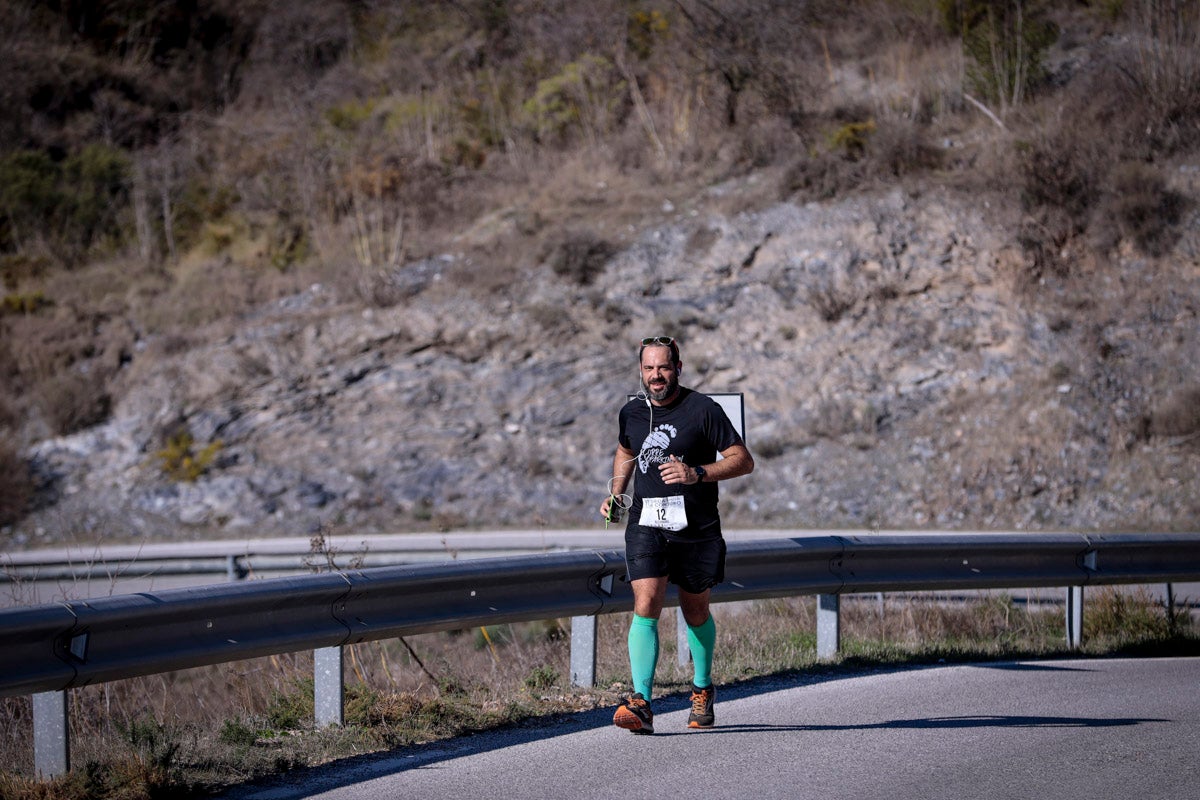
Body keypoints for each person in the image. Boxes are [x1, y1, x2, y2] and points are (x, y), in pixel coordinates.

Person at [600, 335, 754, 734]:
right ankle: (642, 701)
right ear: (640, 370)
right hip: (647, 524)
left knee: (695, 610)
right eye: (649, 368)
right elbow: (624, 450)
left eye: (664, 368)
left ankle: (702, 690)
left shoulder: (703, 409)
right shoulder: (632, 412)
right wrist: (616, 493)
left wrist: (697, 473)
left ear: (678, 368)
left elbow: (742, 460)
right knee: (646, 599)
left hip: (696, 528)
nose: (656, 376)